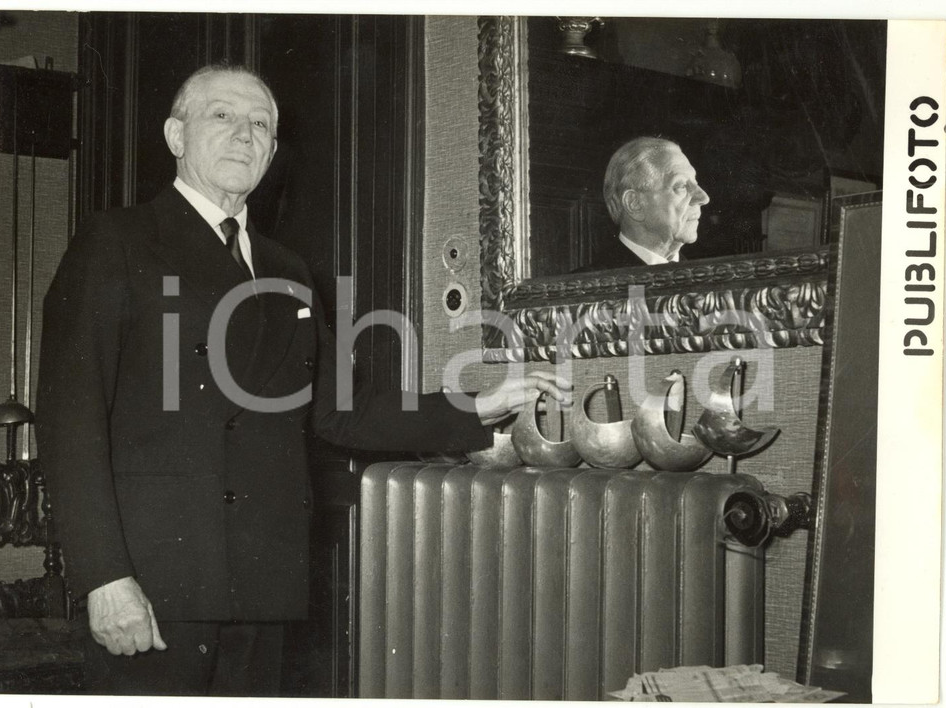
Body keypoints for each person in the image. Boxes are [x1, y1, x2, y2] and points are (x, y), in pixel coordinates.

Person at [35, 63, 570, 697]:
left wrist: (478, 405)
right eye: (222, 116)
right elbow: (70, 425)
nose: (244, 135)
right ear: (175, 136)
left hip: (263, 579)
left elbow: (341, 410)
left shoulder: (288, 268)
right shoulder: (116, 241)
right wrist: (103, 579)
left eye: (260, 123)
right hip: (155, 583)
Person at [594, 136, 710, 268]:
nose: (703, 197)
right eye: (681, 186)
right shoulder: (586, 284)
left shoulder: (710, 282)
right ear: (634, 203)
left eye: (695, 183)